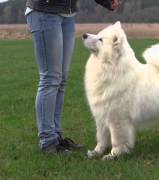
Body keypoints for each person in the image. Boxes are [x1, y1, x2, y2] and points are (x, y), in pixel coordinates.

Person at [25, 0, 121, 154]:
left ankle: (56, 137)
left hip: (67, 15)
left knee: (61, 80)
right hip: (44, 12)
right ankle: (48, 141)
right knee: (50, 79)